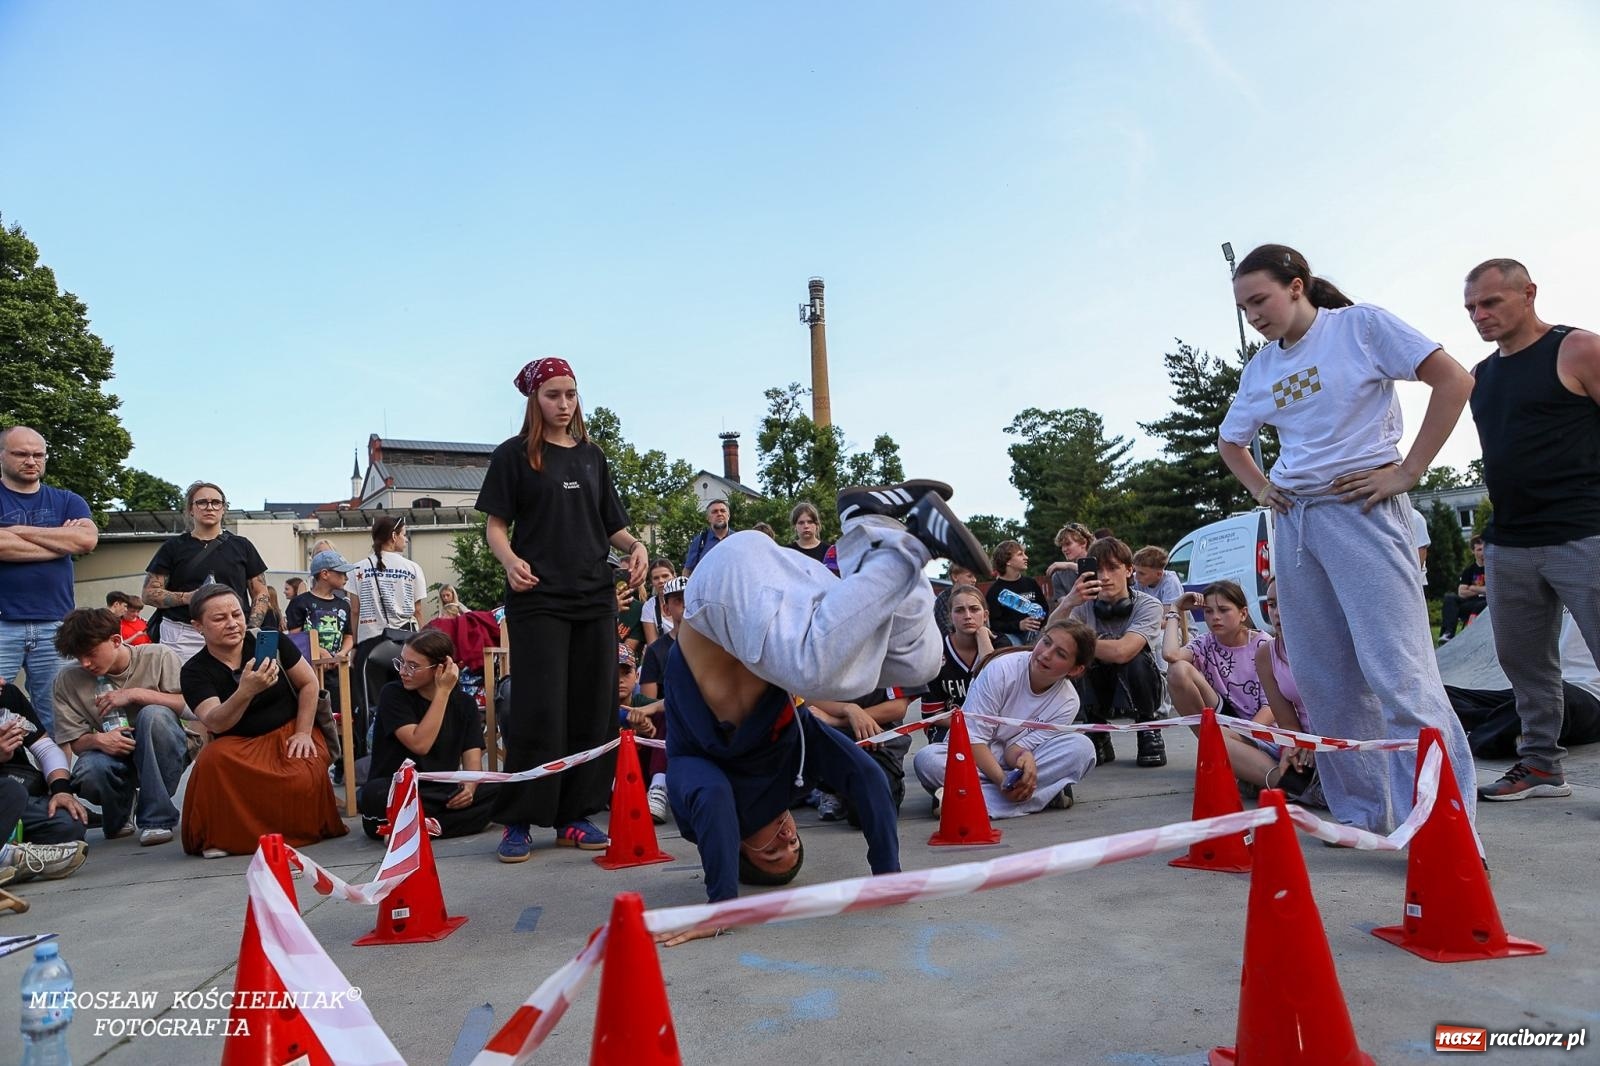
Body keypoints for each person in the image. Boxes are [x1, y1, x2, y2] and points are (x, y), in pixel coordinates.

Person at [661, 478, 990, 942]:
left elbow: (714, 807)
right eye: (795, 849)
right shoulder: (790, 754)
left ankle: (916, 544)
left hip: (719, 586)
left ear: (739, 848)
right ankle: (868, 524)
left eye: (773, 854)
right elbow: (868, 779)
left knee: (813, 672)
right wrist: (888, 877)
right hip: (780, 577)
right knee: (921, 660)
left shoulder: (696, 777)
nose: (788, 840)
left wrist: (721, 906)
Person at [1218, 243, 1477, 832]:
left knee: (1398, 673)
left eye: (1260, 299)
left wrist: (1409, 471)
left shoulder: (1359, 327)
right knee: (1324, 678)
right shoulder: (1261, 367)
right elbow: (1230, 442)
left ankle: (1446, 828)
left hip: (1360, 507)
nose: (1254, 315)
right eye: (1243, 307)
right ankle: (1363, 818)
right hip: (1295, 521)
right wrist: (1262, 489)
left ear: (1296, 285)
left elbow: (1454, 380)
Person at [477, 357, 653, 862]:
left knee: (592, 707)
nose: (564, 403)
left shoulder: (592, 456)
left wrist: (634, 546)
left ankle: (576, 816)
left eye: (571, 394)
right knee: (539, 708)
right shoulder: (514, 455)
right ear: (535, 399)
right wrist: (509, 561)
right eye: (554, 394)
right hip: (539, 600)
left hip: (594, 596)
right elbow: (495, 527)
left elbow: (610, 526)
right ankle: (518, 820)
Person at [1463, 258, 1600, 801]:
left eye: (1491, 302)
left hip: (1585, 530)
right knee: (1524, 664)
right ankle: (1541, 766)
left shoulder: (1577, 349)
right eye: (1471, 307)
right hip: (1511, 540)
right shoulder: (1481, 375)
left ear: (1528, 294)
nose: (1479, 314)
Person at [178, 585, 346, 857]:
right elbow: (215, 722)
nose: (232, 624)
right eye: (220, 619)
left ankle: (286, 834)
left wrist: (303, 732)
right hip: (238, 743)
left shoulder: (271, 642)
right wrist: (246, 691)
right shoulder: (194, 671)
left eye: (237, 614)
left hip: (290, 730)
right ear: (198, 626)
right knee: (210, 761)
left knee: (300, 776)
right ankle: (225, 838)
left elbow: (309, 684)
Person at [913, 621, 1097, 817]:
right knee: (928, 760)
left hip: (1016, 765)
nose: (1045, 654)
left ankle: (961, 800)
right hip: (975, 755)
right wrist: (1002, 781)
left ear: (1075, 669)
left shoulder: (1068, 701)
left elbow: (1015, 749)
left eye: (1060, 654)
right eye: (1046, 642)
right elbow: (973, 739)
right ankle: (1041, 794)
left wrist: (1024, 758)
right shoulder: (1001, 668)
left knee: (1082, 748)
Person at [52, 609, 193, 846]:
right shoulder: (68, 680)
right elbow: (73, 739)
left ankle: (157, 819)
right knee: (88, 770)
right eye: (79, 658)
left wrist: (136, 694)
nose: (85, 663)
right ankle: (122, 808)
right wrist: (99, 741)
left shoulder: (157, 656)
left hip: (164, 747)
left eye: (91, 654)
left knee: (153, 714)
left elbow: (190, 707)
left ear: (116, 640)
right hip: (113, 754)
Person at [0, 426, 98, 735]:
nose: (31, 460)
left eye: (38, 454)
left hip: (55, 623)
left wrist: (15, 531)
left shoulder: (67, 500)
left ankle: (56, 782)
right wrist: (58, 542)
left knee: (57, 715)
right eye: (21, 453)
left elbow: (85, 541)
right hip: (3, 624)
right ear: (2, 455)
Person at [359, 629, 497, 839]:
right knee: (374, 794)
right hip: (400, 791)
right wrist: (442, 692)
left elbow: (473, 763)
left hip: (442, 793)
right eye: (401, 662)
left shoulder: (464, 704)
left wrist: (469, 789)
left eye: (412, 666)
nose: (403, 671)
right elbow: (420, 743)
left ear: (441, 668)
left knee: (499, 791)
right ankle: (440, 824)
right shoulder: (393, 694)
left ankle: (421, 828)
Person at [1049, 537, 1166, 768]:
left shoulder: (1149, 605)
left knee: (1137, 659)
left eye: (1113, 568)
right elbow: (1050, 638)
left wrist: (1078, 642)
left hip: (1136, 679)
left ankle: (1148, 729)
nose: (1104, 577)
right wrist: (1067, 603)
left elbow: (1123, 651)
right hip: (1099, 681)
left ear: (1129, 570)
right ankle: (1098, 730)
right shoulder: (1081, 605)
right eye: (1098, 570)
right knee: (1078, 663)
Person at [142, 481, 270, 665]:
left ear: (223, 509)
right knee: (181, 689)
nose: (210, 507)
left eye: (216, 502)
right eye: (202, 502)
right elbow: (148, 594)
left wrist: (250, 629)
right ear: (191, 509)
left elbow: (260, 592)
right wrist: (187, 597)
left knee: (234, 688)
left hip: (232, 632)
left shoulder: (242, 546)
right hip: (183, 636)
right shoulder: (173, 548)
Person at [0, 675, 89, 885]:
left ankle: (9, 852)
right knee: (12, 792)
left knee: (70, 824)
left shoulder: (7, 695)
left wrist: (61, 790)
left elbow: (45, 747)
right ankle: (12, 856)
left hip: (15, 800)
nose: (2, 681)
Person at [805, 678, 927, 821]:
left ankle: (889, 784)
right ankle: (831, 789)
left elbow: (898, 707)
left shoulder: (890, 656)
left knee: (866, 815)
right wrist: (849, 709)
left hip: (879, 740)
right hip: (833, 738)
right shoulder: (822, 656)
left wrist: (842, 720)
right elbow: (803, 697)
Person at [348, 516, 426, 720]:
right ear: (393, 536)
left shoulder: (358, 568)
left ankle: (372, 746)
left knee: (371, 703)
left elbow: (354, 611)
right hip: (407, 642)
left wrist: (355, 645)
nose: (406, 539)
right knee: (409, 699)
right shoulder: (412, 568)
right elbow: (418, 610)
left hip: (370, 642)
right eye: (404, 534)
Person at [921, 583, 995, 743]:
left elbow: (993, 678)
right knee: (928, 761)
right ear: (950, 616)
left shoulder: (1001, 643)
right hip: (951, 728)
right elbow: (934, 714)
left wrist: (982, 634)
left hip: (995, 730)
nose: (967, 615)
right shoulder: (936, 652)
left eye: (974, 609)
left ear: (986, 614)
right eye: (959, 610)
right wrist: (971, 728)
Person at [985, 540, 1044, 647]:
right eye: (1020, 554)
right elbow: (993, 624)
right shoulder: (995, 591)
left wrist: (1041, 616)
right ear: (1007, 561)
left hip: (1036, 634)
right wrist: (1019, 625)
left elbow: (1045, 608)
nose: (1026, 557)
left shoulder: (1031, 583)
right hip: (1011, 639)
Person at [1439, 536, 1487, 642]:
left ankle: (1470, 630)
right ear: (1472, 551)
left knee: (1484, 603)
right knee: (1449, 598)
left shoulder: (1492, 568)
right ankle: (1448, 633)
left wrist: (1472, 587)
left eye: (1484, 548)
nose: (1482, 553)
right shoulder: (1469, 571)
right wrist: (1481, 590)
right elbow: (1461, 592)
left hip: (1486, 605)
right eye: (1479, 550)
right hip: (1470, 603)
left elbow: (1491, 590)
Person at [1045, 522, 1093, 609]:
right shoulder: (1058, 576)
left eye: (1068, 544)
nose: (1063, 549)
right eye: (1062, 546)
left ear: (1084, 543)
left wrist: (1069, 565)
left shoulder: (1100, 562)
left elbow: (1095, 573)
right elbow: (1065, 606)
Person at [683, 498, 733, 576]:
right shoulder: (699, 542)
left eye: (723, 511)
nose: (719, 514)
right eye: (714, 512)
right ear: (708, 518)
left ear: (728, 516)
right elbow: (688, 570)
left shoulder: (737, 539)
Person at [933, 562, 977, 637]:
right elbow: (945, 630)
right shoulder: (943, 599)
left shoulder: (976, 596)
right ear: (955, 577)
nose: (974, 580)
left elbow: (984, 623)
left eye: (975, 576)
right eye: (970, 576)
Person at [640, 558, 677, 645]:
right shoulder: (649, 607)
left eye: (665, 576)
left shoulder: (688, 599)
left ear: (674, 576)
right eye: (656, 578)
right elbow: (653, 646)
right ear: (652, 582)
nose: (661, 581)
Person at [786, 500, 833, 565]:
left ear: (816, 524)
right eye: (801, 523)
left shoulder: (829, 551)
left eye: (810, 522)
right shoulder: (788, 551)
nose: (806, 526)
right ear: (795, 526)